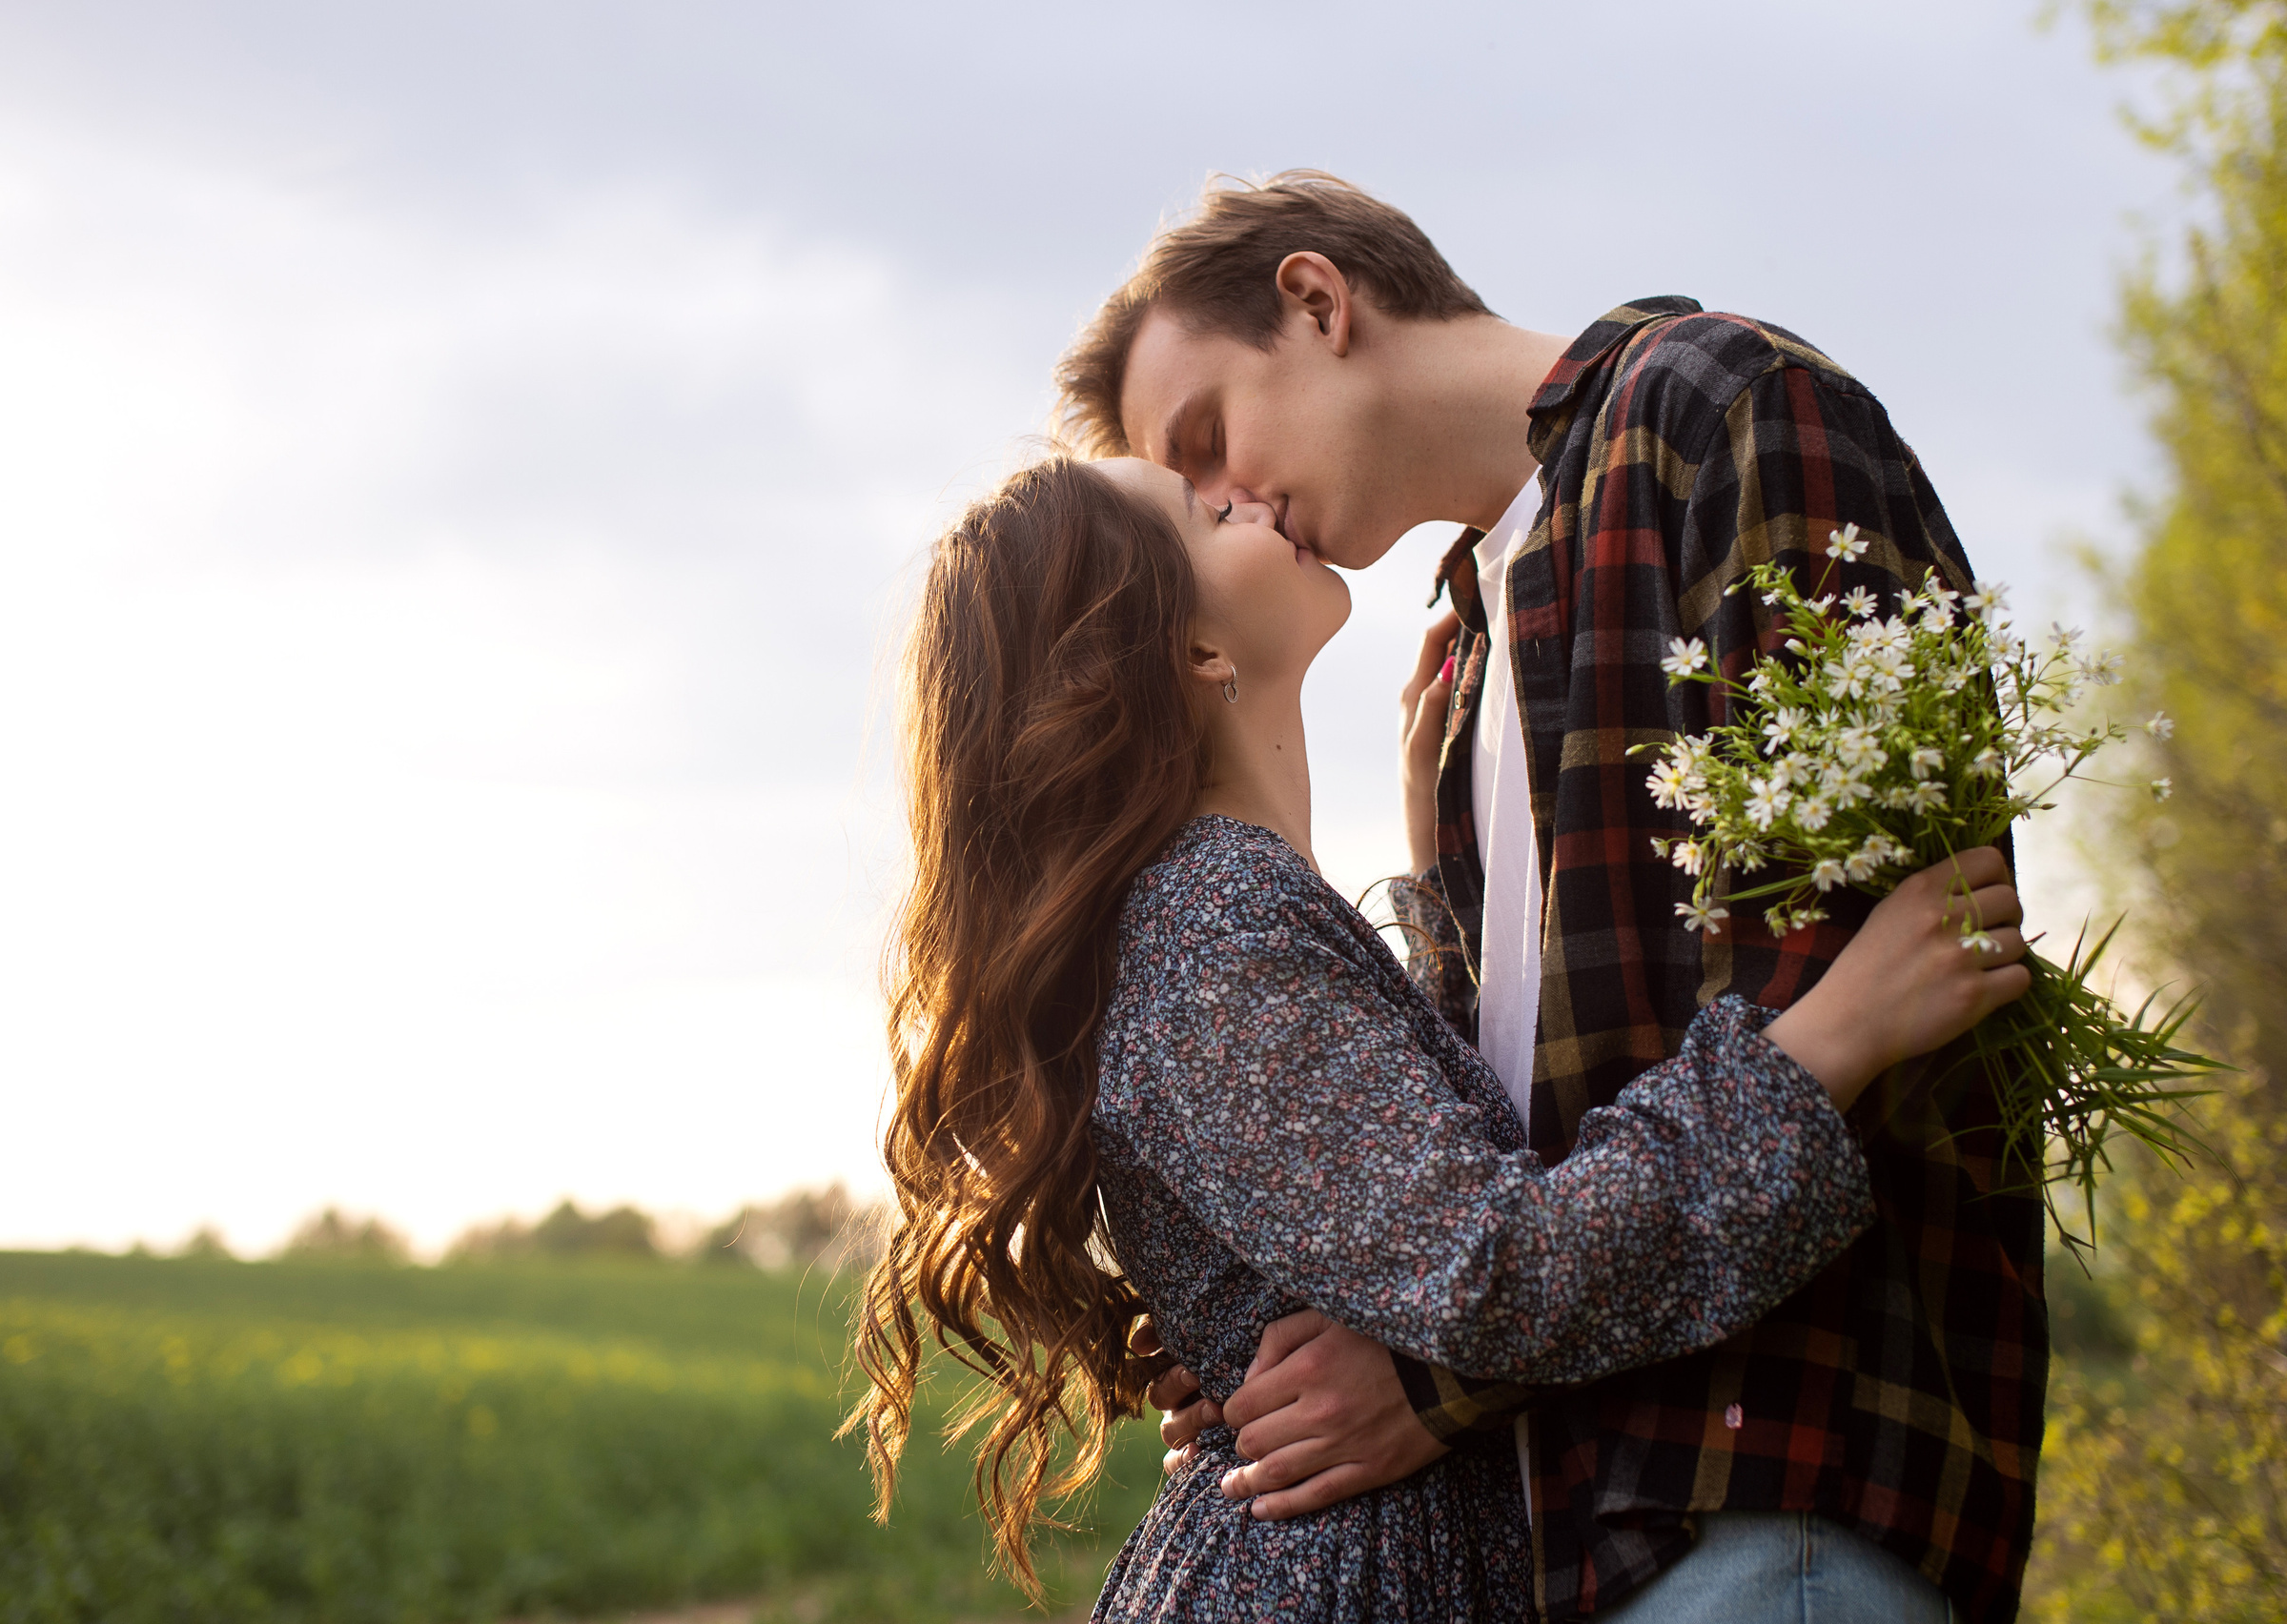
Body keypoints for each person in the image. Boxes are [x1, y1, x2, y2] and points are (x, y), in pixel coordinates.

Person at [1052, 173, 2039, 1624]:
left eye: (1209, 443)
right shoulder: (1451, 673)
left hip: (1770, 1494)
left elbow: (1864, 995)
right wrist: (1290, 1328)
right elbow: (1482, 1155)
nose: (1231, 506)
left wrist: (1433, 1374)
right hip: (1569, 1524)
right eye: (1195, 501)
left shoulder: (1717, 412)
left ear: (1319, 304)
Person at [846, 452, 2031, 1622]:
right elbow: (1497, 1268)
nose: (1250, 491)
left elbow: (1399, 1171)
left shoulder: (1214, 908)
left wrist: (1439, 879)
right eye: (1209, 512)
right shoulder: (1211, 916)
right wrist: (1832, 1038)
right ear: (1196, 649)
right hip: (1339, 1578)